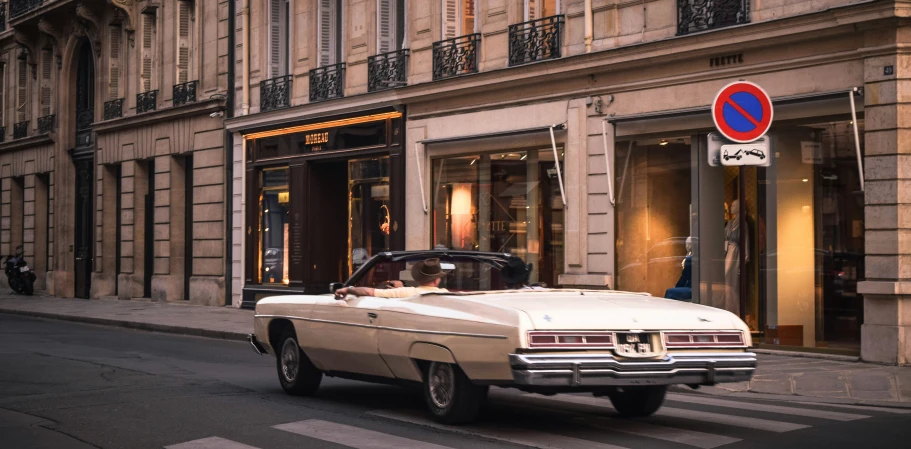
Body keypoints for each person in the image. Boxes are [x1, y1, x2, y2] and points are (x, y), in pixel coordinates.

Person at [334, 258, 448, 299]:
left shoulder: (406, 292)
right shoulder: (445, 294)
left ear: (418, 278)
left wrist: (348, 289)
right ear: (437, 279)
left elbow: (368, 291)